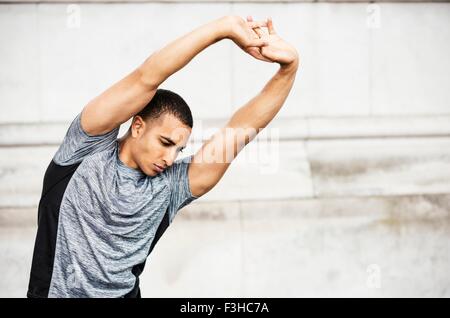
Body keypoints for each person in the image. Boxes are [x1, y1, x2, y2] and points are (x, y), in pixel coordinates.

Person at [27, 15, 299, 298]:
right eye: (165, 142)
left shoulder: (170, 186)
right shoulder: (84, 149)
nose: (170, 158)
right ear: (138, 125)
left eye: (178, 149)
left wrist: (289, 69)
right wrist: (223, 28)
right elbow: (147, 76)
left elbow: (240, 131)